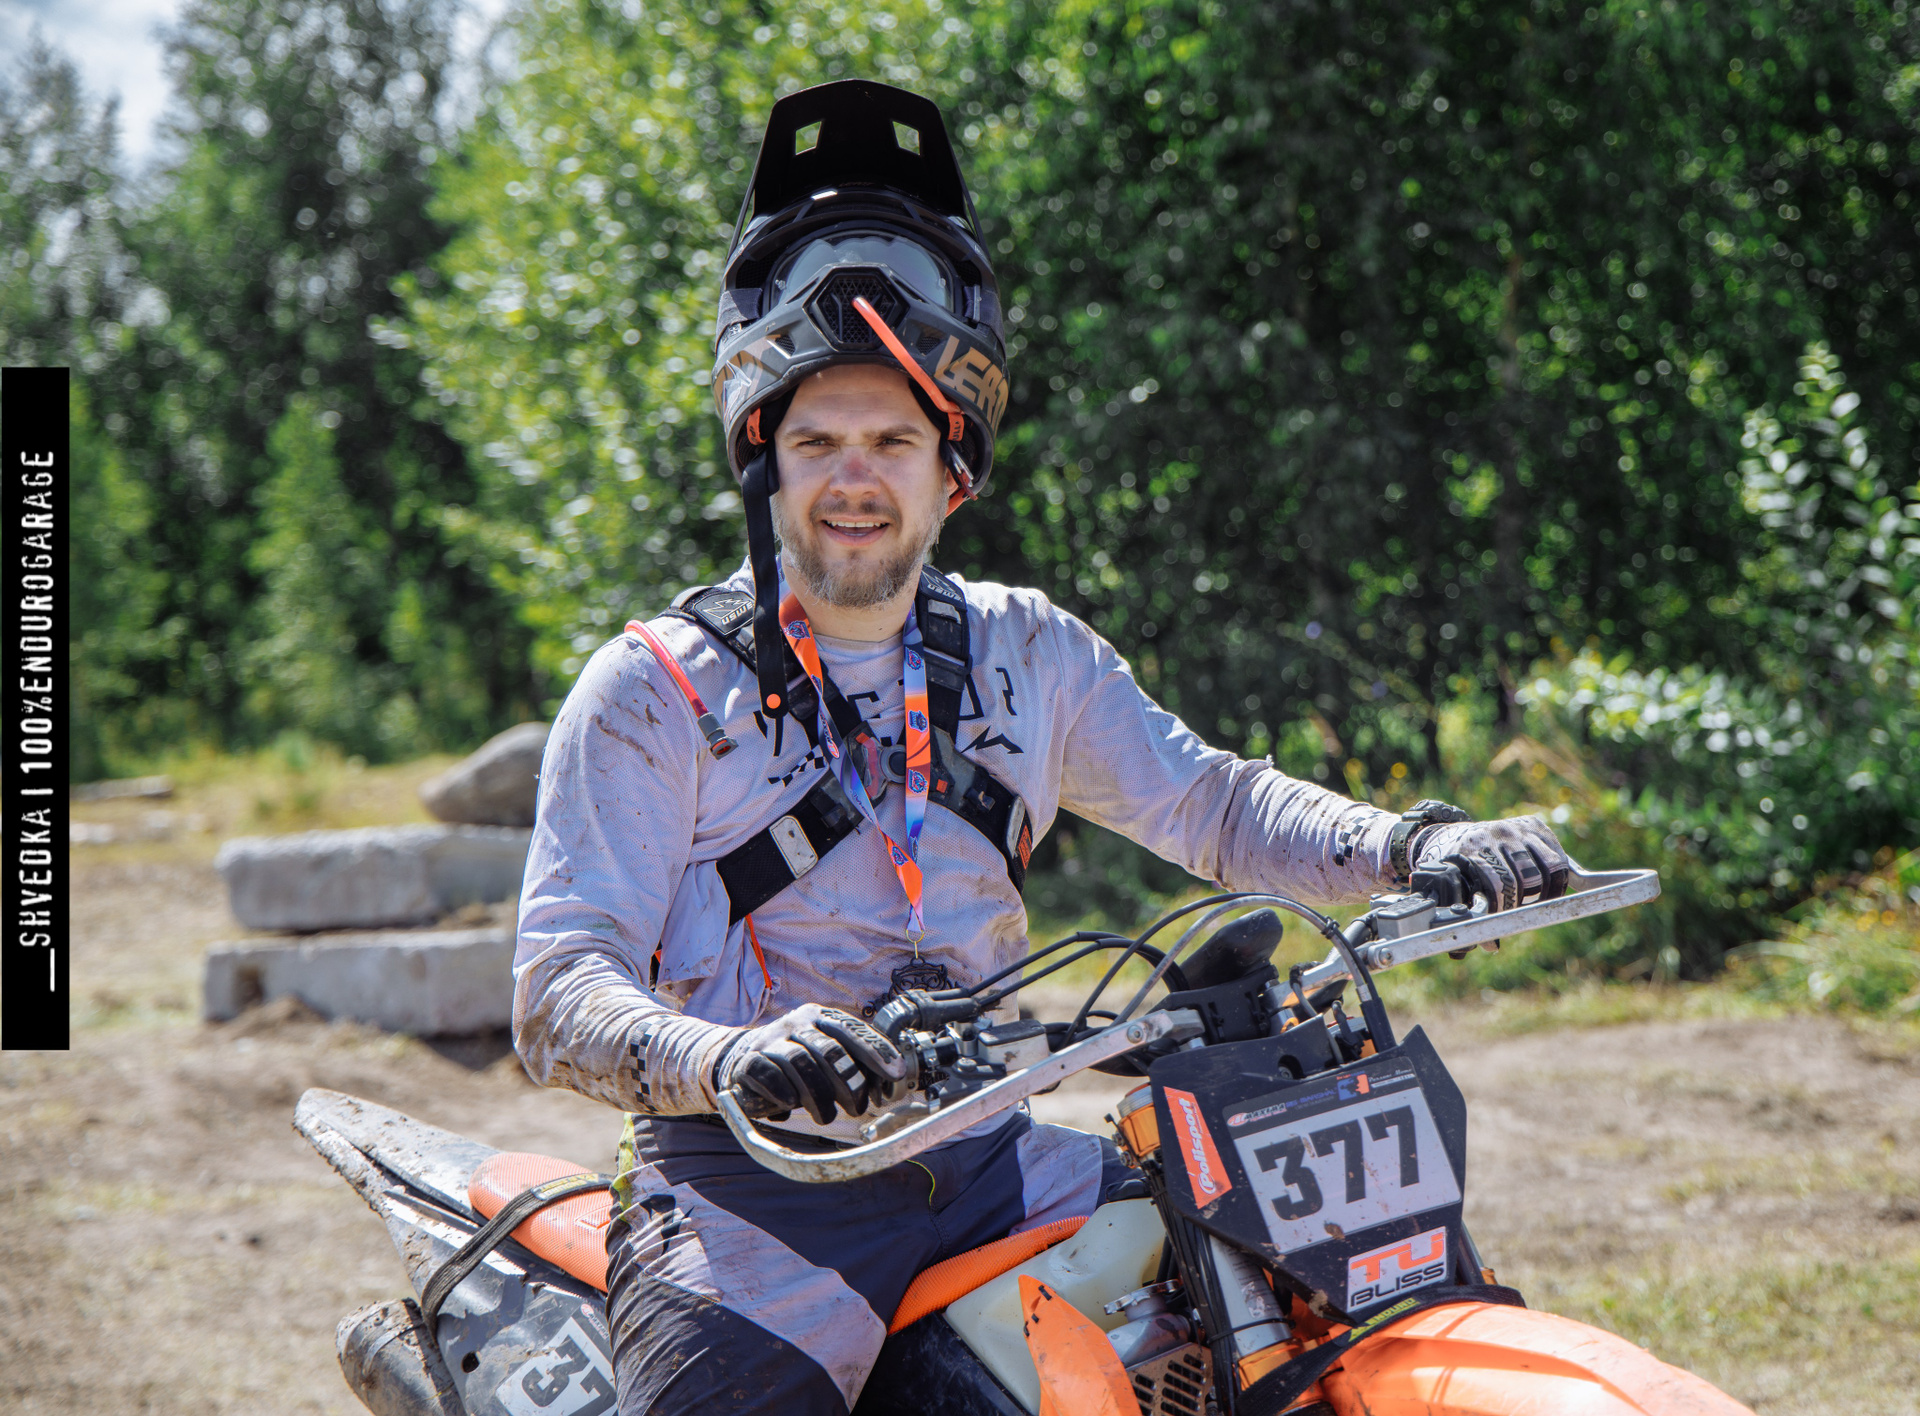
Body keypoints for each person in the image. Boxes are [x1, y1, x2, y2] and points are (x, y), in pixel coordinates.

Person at [512, 79, 1572, 1416]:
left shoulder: (1029, 652)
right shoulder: (653, 689)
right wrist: (725, 1059)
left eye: (893, 440)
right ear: (764, 463)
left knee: (1272, 1309)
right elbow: (558, 987)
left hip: (993, 1159)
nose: (853, 477)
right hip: (754, 1197)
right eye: (817, 440)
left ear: (950, 469)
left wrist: (1413, 846)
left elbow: (1215, 807)